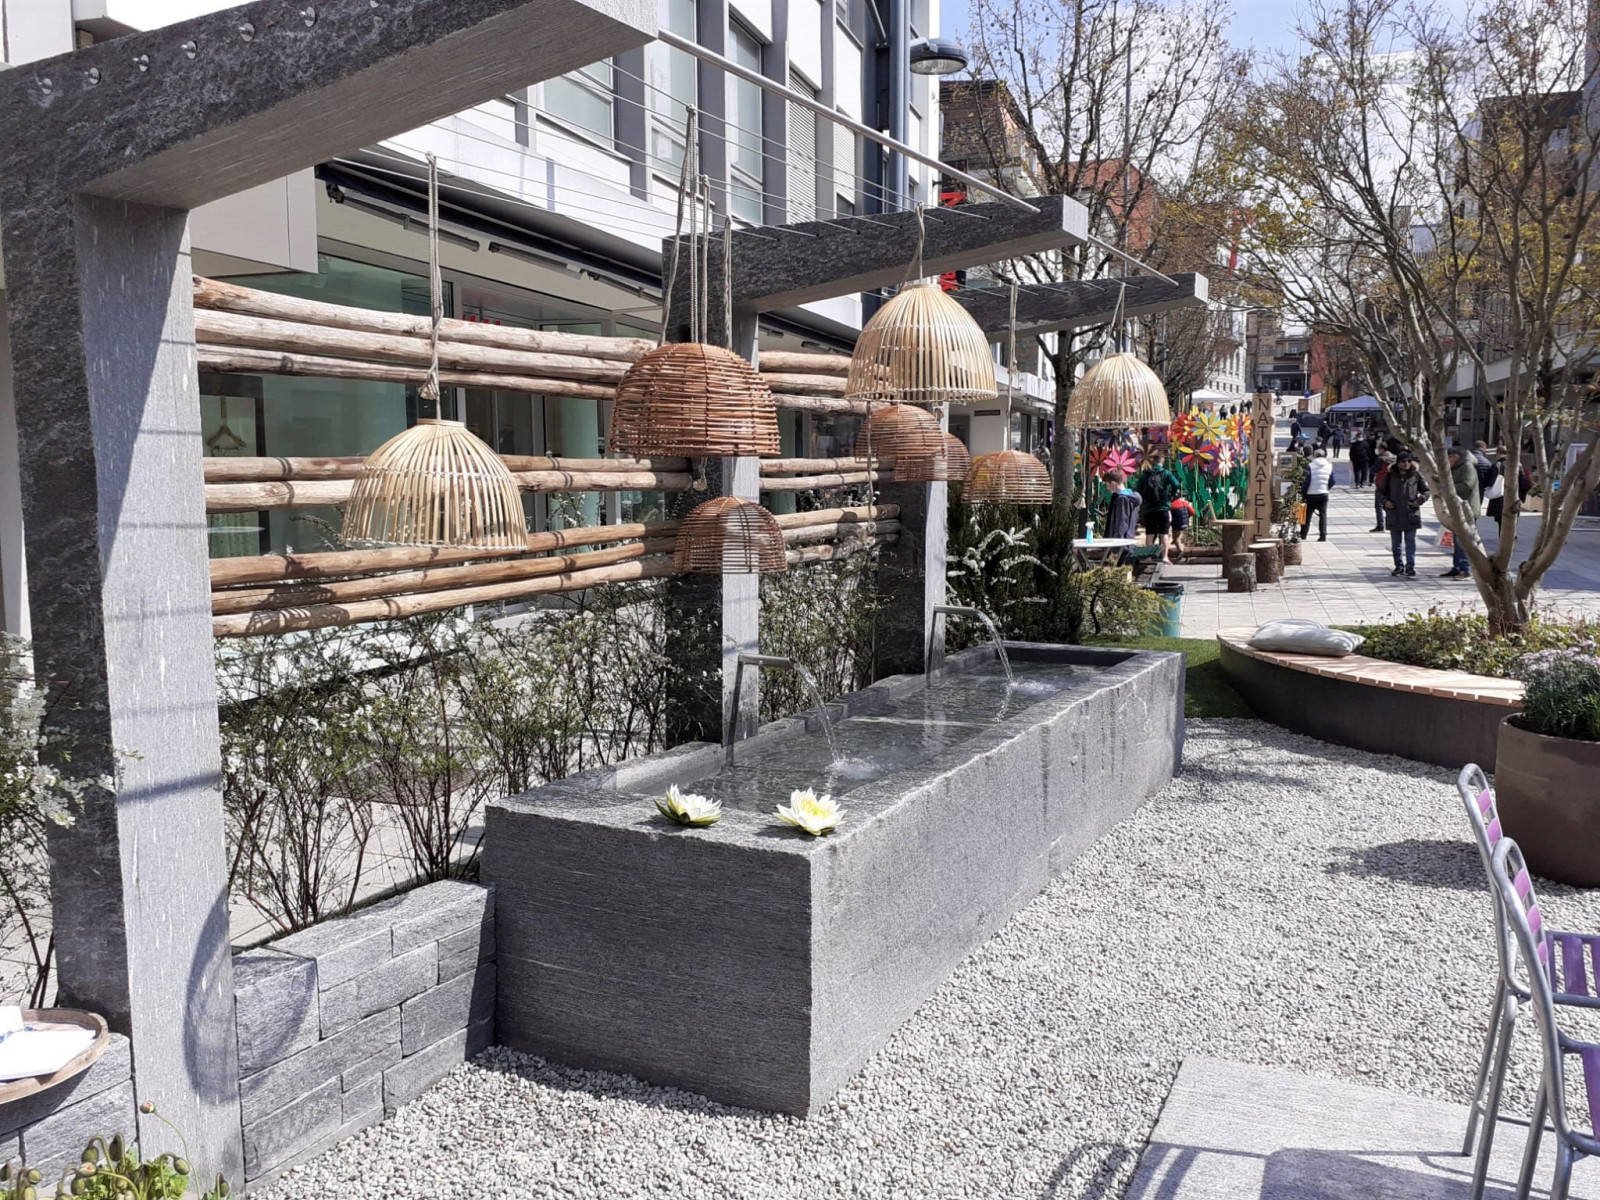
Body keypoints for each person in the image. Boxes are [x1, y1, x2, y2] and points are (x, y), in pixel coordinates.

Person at [1379, 451, 1428, 576]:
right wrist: (1385, 502)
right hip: (1394, 515)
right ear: (1398, 462)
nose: (1406, 463)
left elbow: (1426, 491)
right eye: (1403, 461)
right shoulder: (1390, 476)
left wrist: (1419, 501)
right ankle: (1398, 566)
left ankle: (1410, 566)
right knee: (1396, 544)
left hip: (1411, 514)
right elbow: (1380, 492)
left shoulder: (1416, 475)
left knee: (1410, 542)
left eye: (1409, 461)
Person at [1134, 449, 1183, 563]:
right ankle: (1164, 557)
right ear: (1162, 461)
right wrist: (1170, 495)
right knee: (1164, 534)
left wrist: (1144, 500)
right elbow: (1176, 484)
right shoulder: (1166, 473)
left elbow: (1137, 489)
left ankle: (1148, 557)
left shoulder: (1145, 474)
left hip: (1149, 509)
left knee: (1150, 534)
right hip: (1163, 508)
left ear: (1152, 462)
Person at [1442, 445, 1481, 579]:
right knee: (1457, 540)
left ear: (1455, 457)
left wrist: (1448, 487)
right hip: (1457, 509)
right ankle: (1457, 567)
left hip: (1467, 509)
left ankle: (1466, 569)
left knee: (1464, 541)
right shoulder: (1456, 467)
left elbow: (1467, 486)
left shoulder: (1467, 466)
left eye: (1448, 458)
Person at [1300, 447, 1334, 541]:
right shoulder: (1329, 466)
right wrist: (1326, 488)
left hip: (1311, 494)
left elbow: (1306, 481)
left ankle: (1303, 534)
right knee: (1323, 515)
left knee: (1307, 515)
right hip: (1323, 493)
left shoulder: (1310, 466)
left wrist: (1303, 492)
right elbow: (1332, 481)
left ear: (1315, 456)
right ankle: (1323, 535)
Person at [1103, 469, 1141, 540]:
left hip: (1120, 542)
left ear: (1113, 484)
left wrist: (1116, 545)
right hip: (1129, 539)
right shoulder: (1131, 497)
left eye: (1107, 485)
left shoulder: (1122, 499)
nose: (1107, 488)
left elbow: (1121, 524)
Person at [1371, 450, 1395, 531]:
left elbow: (1373, 470)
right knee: (1389, 504)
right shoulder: (1395, 461)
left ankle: (1380, 525)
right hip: (1391, 484)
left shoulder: (1381, 460)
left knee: (1379, 505)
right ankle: (1393, 521)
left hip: (1380, 483)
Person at [1170, 495, 1195, 560]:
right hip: (1185, 523)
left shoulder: (1171, 505)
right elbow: (1193, 512)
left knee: (1175, 538)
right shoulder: (1185, 503)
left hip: (1177, 524)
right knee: (1179, 536)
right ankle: (1183, 550)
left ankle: (1181, 551)